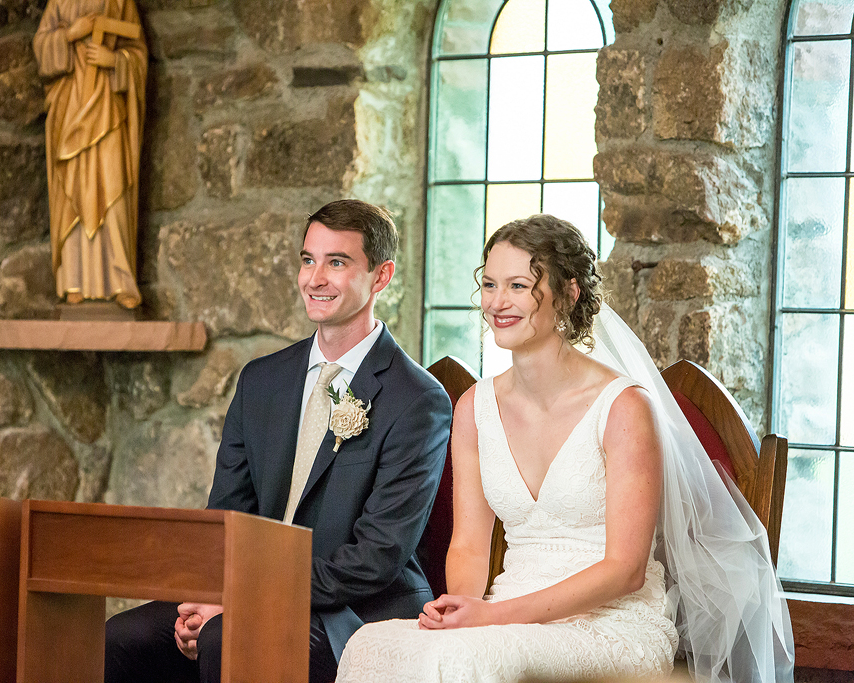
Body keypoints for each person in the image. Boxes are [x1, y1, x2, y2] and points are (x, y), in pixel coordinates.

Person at [337, 214, 794, 683]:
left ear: (570, 293)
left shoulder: (623, 407)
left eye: (518, 285)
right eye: (490, 284)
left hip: (614, 625)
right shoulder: (475, 407)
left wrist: (494, 620)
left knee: (464, 662)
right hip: (506, 615)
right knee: (369, 645)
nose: (498, 302)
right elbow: (470, 545)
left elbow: (626, 569)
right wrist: (465, 613)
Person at [105, 199, 452, 683]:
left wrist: (241, 596)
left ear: (381, 276)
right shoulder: (261, 380)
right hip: (249, 592)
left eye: (337, 262)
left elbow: (377, 557)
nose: (315, 278)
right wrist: (208, 593)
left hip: (353, 612)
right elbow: (228, 514)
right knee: (121, 638)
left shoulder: (416, 400)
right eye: (308, 260)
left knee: (226, 637)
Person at [33, 0, 146, 308]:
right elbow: (40, 46)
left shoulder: (122, 3)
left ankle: (121, 278)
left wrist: (115, 60)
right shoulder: (59, 2)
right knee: (73, 191)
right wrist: (70, 34)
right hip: (69, 110)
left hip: (109, 112)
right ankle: (73, 279)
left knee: (114, 188)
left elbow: (138, 53)